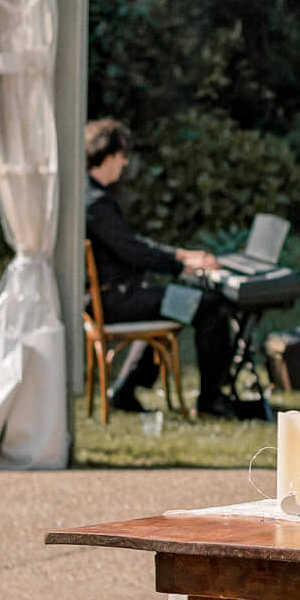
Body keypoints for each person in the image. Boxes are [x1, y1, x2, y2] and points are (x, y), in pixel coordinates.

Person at [84, 118, 243, 418]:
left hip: (116, 296)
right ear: (108, 154)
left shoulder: (89, 195)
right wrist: (181, 264)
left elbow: (131, 245)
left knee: (178, 304)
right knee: (211, 306)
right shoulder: (96, 203)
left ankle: (126, 389)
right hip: (115, 302)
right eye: (122, 156)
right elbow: (134, 252)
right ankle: (211, 399)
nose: (125, 163)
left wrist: (182, 256)